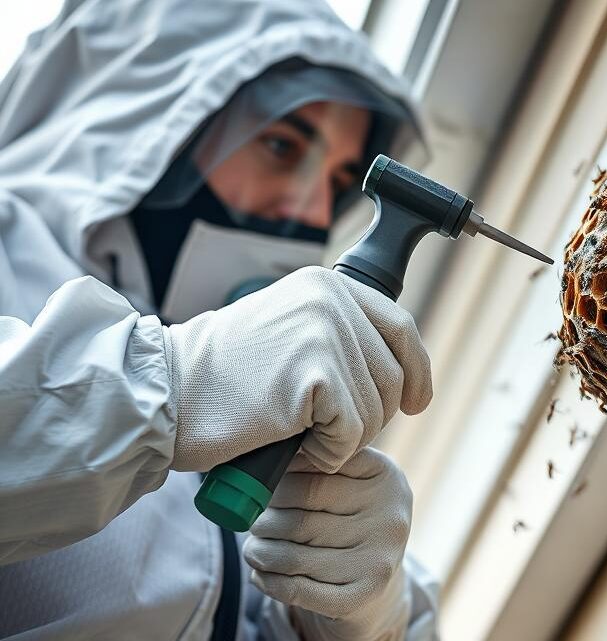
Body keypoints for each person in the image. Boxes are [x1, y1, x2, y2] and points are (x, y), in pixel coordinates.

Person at [0, 1, 441, 639]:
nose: (310, 211)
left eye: (340, 181)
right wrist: (177, 383)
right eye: (281, 146)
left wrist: (356, 616)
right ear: (146, 120)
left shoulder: (256, 399)